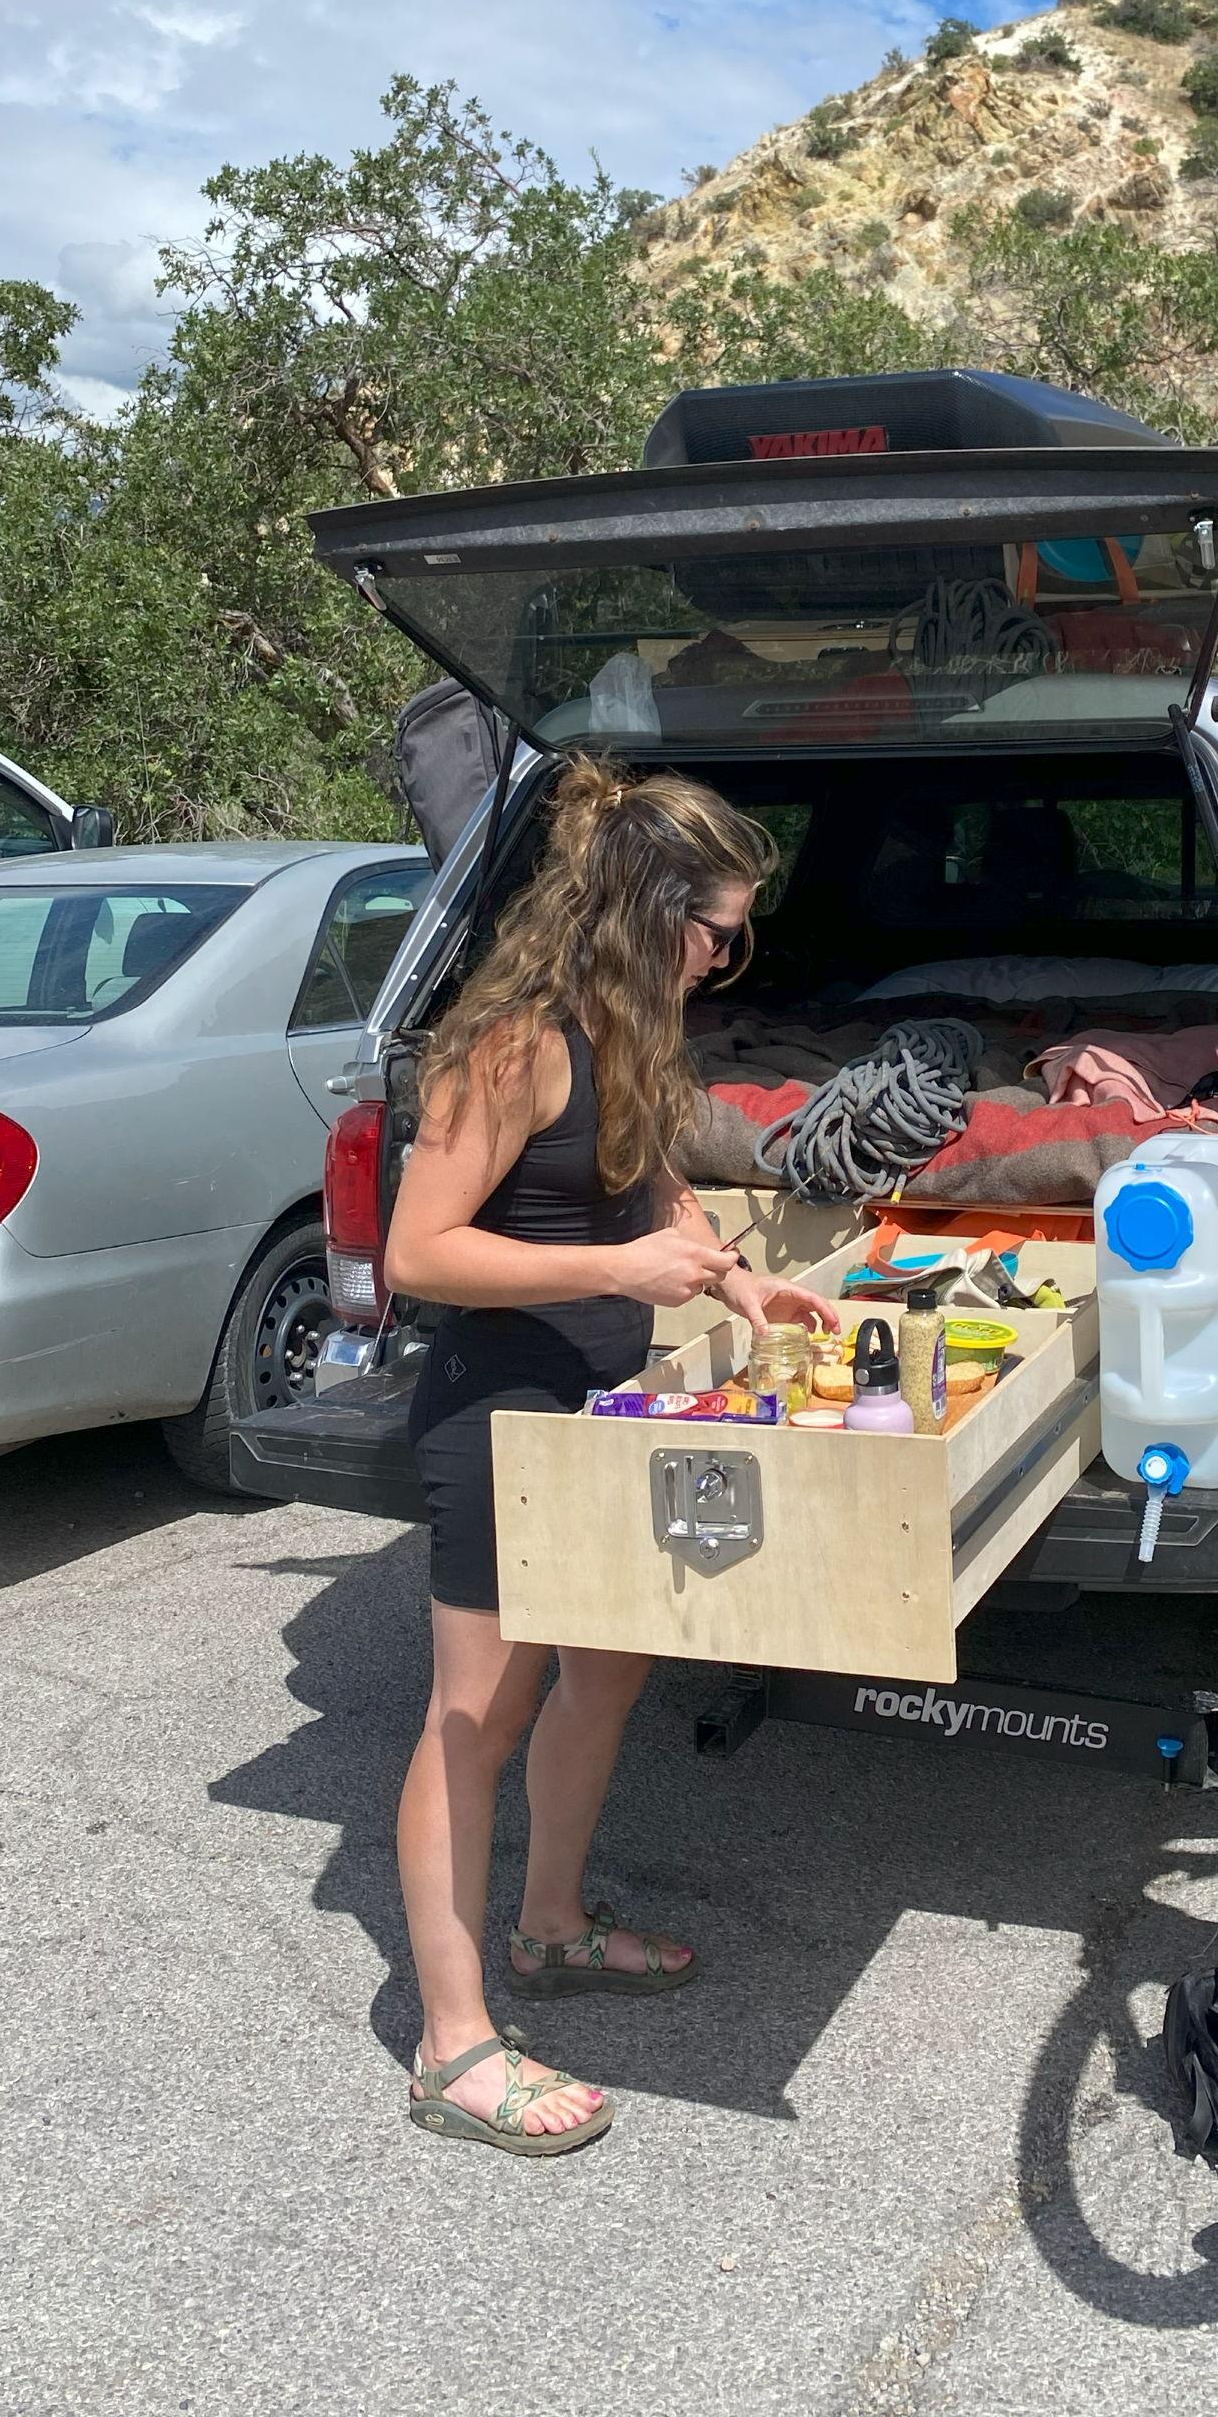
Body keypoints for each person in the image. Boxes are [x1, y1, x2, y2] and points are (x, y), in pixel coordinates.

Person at [381, 757, 840, 2154]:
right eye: (719, 933)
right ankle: (454, 2044)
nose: (726, 958)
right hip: (496, 1419)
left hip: (595, 1410)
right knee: (478, 1720)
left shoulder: (626, 1034)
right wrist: (620, 1262)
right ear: (650, 914)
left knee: (609, 1673)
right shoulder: (512, 1042)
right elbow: (419, 1252)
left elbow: (653, 1187)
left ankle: (552, 1926)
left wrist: (728, 1279)